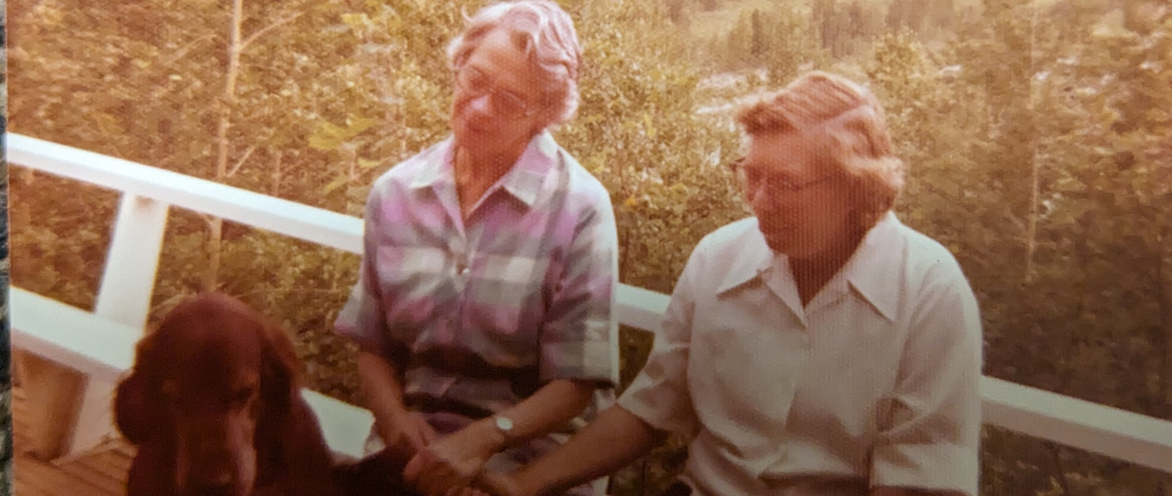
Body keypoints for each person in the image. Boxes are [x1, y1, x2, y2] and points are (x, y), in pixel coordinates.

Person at [471, 71, 984, 496]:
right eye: (751, 175)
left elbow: (921, 483)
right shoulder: (719, 257)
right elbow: (650, 410)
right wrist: (524, 485)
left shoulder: (929, 292)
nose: (759, 201)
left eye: (785, 183)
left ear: (855, 187)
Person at [332, 2, 619, 495]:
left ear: (544, 115)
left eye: (510, 101)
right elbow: (372, 346)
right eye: (475, 79)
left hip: (524, 467)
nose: (482, 107)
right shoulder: (395, 194)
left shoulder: (580, 208)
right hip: (412, 459)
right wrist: (398, 423)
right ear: (458, 67)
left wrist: (485, 442)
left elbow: (576, 383)